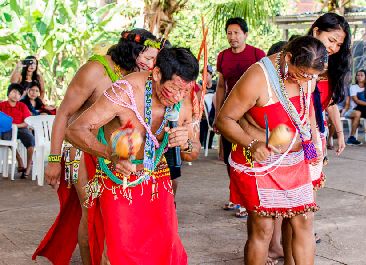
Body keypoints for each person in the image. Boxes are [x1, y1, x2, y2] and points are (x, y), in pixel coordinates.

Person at [33, 29, 160, 265]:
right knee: (91, 213)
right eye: (148, 57)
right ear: (133, 51)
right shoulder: (95, 70)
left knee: (115, 216)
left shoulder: (137, 75)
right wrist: (53, 160)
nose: (151, 64)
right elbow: (64, 113)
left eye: (154, 60)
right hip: (82, 151)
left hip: (115, 155)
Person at [65, 47, 200, 264]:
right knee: (121, 251)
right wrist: (111, 155)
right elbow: (74, 130)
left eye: (185, 91)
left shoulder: (183, 96)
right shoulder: (124, 92)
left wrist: (186, 143)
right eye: (173, 89)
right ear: (156, 74)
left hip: (158, 178)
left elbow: (193, 152)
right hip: (120, 178)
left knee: (165, 247)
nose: (178, 96)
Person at [217, 36, 327, 265]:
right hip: (258, 160)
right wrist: (252, 143)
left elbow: (307, 113)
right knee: (263, 227)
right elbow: (224, 119)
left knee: (304, 220)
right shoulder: (258, 76)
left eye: (312, 76)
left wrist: (314, 141)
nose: (306, 80)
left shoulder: (310, 76)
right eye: (302, 74)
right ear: (288, 58)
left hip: (295, 159)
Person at [215, 17, 266, 218]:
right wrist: (218, 113)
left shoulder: (256, 54)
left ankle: (248, 199)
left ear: (245, 34)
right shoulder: (223, 56)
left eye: (236, 33)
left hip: (252, 113)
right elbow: (221, 86)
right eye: (229, 33)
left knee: (249, 152)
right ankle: (235, 197)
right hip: (230, 113)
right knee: (230, 156)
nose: (232, 37)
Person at [0, 84, 34, 179]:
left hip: (21, 127)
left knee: (31, 140)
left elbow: (27, 122)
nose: (16, 95)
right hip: (7, 129)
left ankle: (28, 168)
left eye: (19, 93)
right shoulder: (2, 105)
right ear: (8, 92)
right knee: (7, 138)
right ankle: (19, 160)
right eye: (14, 92)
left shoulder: (22, 106)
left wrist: (16, 125)